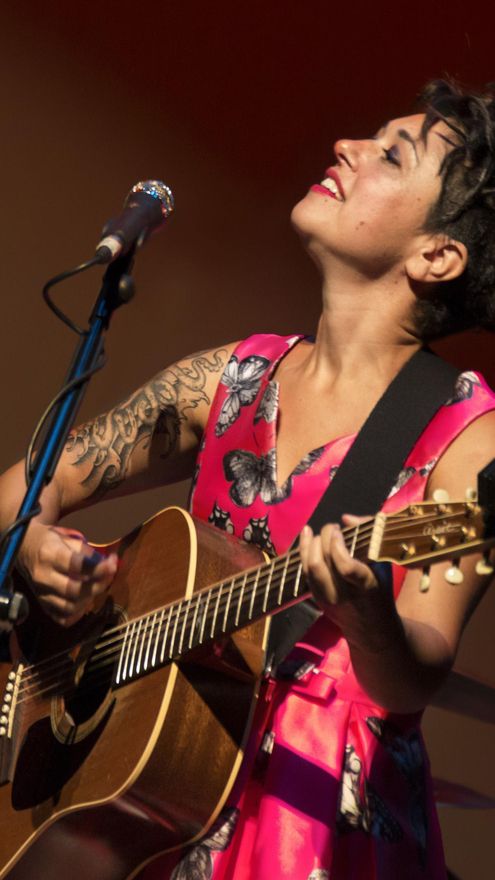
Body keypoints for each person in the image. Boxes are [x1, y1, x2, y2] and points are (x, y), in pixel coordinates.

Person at [1, 78, 495, 879]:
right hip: (163, 791)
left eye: (390, 155)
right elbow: (23, 489)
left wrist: (367, 614)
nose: (346, 146)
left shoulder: (467, 437)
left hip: (313, 825)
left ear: (435, 255)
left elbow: (416, 674)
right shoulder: (230, 379)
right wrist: (32, 545)